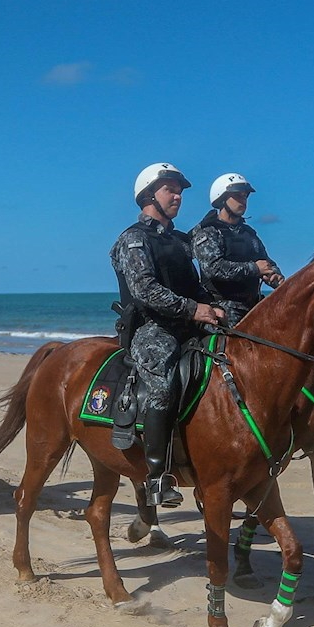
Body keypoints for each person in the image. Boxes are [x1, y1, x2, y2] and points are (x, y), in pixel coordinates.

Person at [111, 163, 225, 508]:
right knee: (161, 383)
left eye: (179, 191)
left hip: (191, 324)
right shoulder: (133, 239)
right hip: (152, 329)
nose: (177, 196)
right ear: (148, 196)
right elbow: (144, 289)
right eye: (170, 190)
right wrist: (194, 309)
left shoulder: (180, 240)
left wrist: (214, 307)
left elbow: (198, 283)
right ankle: (158, 477)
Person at [192, 172, 283, 327]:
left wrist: (275, 276)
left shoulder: (249, 234)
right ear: (222, 198)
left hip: (254, 306)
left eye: (245, 196)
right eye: (237, 196)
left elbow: (266, 262)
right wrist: (254, 268)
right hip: (223, 309)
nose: (243, 201)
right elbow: (213, 268)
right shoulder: (208, 232)